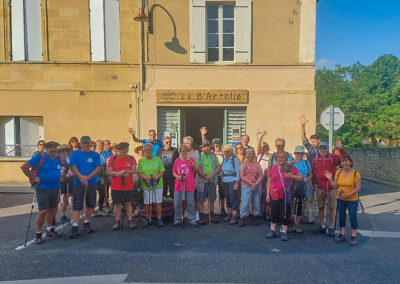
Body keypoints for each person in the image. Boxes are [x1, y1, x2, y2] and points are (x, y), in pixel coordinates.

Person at [20, 141, 68, 244]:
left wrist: (63, 175)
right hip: (42, 188)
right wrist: (33, 177)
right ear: (46, 149)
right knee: (42, 211)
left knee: (53, 209)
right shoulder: (40, 157)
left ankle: (50, 229)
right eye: (50, 148)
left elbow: (67, 165)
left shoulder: (59, 158)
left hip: (55, 188)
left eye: (55, 147)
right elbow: (24, 167)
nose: (53, 149)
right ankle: (38, 234)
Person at [68, 136, 102, 239]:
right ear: (81, 144)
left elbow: (98, 168)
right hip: (78, 183)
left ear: (90, 144)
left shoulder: (95, 155)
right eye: (84, 143)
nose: (86, 145)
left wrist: (87, 177)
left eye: (88, 143)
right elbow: (73, 166)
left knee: (91, 204)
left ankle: (87, 222)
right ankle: (75, 226)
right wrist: (81, 177)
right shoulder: (75, 153)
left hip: (92, 182)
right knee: (77, 205)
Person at [311, 142, 347, 236]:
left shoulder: (333, 158)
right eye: (321, 148)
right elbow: (313, 174)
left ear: (327, 149)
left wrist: (340, 149)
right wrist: (315, 184)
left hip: (331, 186)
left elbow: (346, 159)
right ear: (318, 149)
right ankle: (322, 225)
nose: (323, 150)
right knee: (321, 206)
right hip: (320, 186)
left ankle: (331, 226)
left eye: (325, 148)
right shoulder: (314, 160)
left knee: (332, 207)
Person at [266, 151, 303, 241]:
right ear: (276, 159)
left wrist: (291, 175)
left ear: (286, 158)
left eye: (283, 157)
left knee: (285, 213)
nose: (281, 159)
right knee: (274, 211)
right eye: (279, 157)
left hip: (287, 194)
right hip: (274, 193)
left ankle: (284, 231)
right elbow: (269, 181)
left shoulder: (290, 167)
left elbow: (301, 177)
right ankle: (272, 229)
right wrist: (267, 194)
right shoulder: (274, 168)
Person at [325, 155, 361, 246]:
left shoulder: (355, 173)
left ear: (351, 162)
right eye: (343, 162)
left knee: (352, 217)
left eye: (347, 161)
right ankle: (342, 233)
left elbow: (358, 188)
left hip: (352, 199)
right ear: (341, 164)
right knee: (341, 216)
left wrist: (347, 195)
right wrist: (329, 179)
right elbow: (334, 186)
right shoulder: (338, 173)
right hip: (340, 198)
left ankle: (353, 236)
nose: (345, 163)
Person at [108, 142, 138, 230]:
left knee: (128, 203)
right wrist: (118, 173)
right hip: (116, 186)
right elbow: (109, 172)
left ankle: (130, 220)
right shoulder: (112, 159)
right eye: (121, 150)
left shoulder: (132, 159)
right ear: (118, 150)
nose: (123, 152)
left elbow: (134, 170)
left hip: (128, 186)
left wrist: (126, 171)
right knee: (117, 204)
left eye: (125, 150)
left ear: (127, 149)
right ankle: (117, 221)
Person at [172, 144, 200, 227]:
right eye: (182, 150)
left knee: (190, 203)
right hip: (179, 185)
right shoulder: (177, 161)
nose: (184, 152)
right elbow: (174, 172)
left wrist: (190, 161)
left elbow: (196, 169)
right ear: (180, 152)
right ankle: (177, 219)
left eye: (186, 150)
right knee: (177, 203)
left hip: (189, 185)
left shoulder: (192, 160)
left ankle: (192, 219)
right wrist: (178, 177)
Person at [138, 143, 165, 227]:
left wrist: (156, 177)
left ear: (152, 150)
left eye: (150, 149)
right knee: (148, 203)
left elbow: (162, 171)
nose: (148, 151)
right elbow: (139, 172)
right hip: (146, 184)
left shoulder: (157, 159)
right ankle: (148, 219)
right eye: (146, 150)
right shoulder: (141, 161)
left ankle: (159, 219)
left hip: (157, 184)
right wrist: (145, 177)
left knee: (158, 203)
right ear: (144, 151)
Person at [196, 140, 221, 225]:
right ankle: (201, 215)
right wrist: (205, 175)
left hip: (212, 180)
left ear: (210, 147)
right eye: (204, 146)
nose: (206, 147)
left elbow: (218, 166)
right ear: (202, 148)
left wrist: (212, 174)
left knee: (212, 199)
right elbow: (197, 168)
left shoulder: (214, 156)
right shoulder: (199, 156)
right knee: (201, 199)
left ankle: (212, 215)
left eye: (208, 146)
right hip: (202, 181)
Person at [290, 145, 313, 234]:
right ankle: (291, 221)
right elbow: (285, 169)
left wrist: (306, 180)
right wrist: (293, 162)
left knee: (300, 205)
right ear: (295, 154)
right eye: (297, 153)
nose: (299, 155)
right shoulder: (290, 161)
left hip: (303, 187)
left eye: (301, 153)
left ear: (303, 154)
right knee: (291, 205)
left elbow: (311, 174)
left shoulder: (306, 163)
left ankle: (297, 223)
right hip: (292, 187)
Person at [238, 148, 263, 227]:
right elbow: (241, 176)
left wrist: (256, 184)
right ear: (246, 155)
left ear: (254, 155)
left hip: (257, 185)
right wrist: (251, 183)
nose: (250, 155)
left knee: (256, 202)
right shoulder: (243, 164)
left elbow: (261, 175)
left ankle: (255, 217)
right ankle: (242, 217)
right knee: (245, 202)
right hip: (246, 186)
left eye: (252, 153)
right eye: (248, 154)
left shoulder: (257, 164)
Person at [221, 145, 240, 224]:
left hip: (233, 181)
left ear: (231, 151)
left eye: (228, 151)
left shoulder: (234, 159)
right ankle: (229, 214)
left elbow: (238, 171)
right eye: (225, 151)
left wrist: (237, 183)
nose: (226, 152)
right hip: (225, 181)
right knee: (228, 198)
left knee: (233, 198)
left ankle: (234, 216)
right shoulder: (224, 159)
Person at [257, 130, 271, 220]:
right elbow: (258, 145)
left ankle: (267, 211)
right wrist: (261, 136)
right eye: (262, 147)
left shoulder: (271, 155)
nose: (264, 148)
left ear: (268, 147)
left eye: (265, 147)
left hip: (268, 177)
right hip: (260, 177)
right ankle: (261, 211)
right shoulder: (259, 155)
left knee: (267, 194)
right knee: (260, 194)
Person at [93, 140, 109, 217]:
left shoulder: (104, 155)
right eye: (99, 146)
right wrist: (102, 177)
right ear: (96, 147)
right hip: (94, 178)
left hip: (102, 178)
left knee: (102, 194)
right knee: (92, 195)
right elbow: (96, 168)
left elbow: (105, 167)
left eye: (102, 145)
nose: (101, 147)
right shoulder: (94, 155)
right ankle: (92, 211)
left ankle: (100, 209)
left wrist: (104, 177)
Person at [58, 144, 73, 223]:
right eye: (62, 151)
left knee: (65, 198)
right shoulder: (57, 159)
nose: (64, 152)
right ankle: (52, 217)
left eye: (65, 150)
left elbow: (71, 169)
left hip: (69, 179)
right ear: (59, 152)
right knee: (59, 198)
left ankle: (63, 215)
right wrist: (62, 175)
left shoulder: (69, 159)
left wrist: (71, 173)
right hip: (60, 180)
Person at [133, 145, 144, 217]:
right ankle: (136, 209)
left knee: (143, 193)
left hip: (144, 178)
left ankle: (142, 209)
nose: (141, 150)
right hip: (136, 178)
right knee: (136, 193)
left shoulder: (146, 158)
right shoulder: (134, 158)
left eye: (142, 149)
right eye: (140, 149)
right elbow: (133, 168)